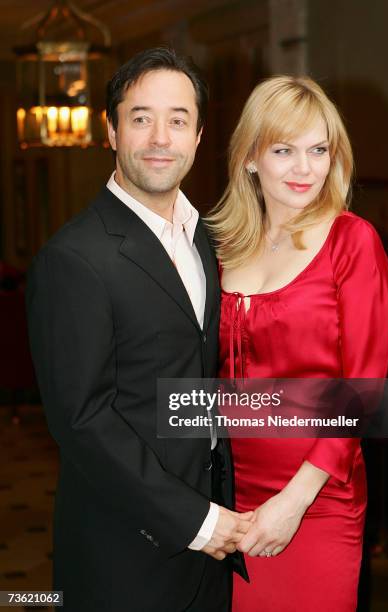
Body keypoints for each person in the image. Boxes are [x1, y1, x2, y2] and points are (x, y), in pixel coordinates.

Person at [26, 47, 252, 612]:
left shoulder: (206, 240)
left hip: (214, 551)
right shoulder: (73, 258)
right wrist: (197, 521)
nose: (159, 138)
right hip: (125, 555)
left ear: (199, 137)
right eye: (141, 117)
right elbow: (81, 420)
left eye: (178, 120)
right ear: (111, 130)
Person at [207, 75, 388, 611]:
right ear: (249, 158)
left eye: (318, 150)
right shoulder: (220, 247)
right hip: (227, 493)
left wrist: (292, 502)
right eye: (284, 150)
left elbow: (362, 392)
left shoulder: (352, 242)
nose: (305, 168)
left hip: (316, 497)